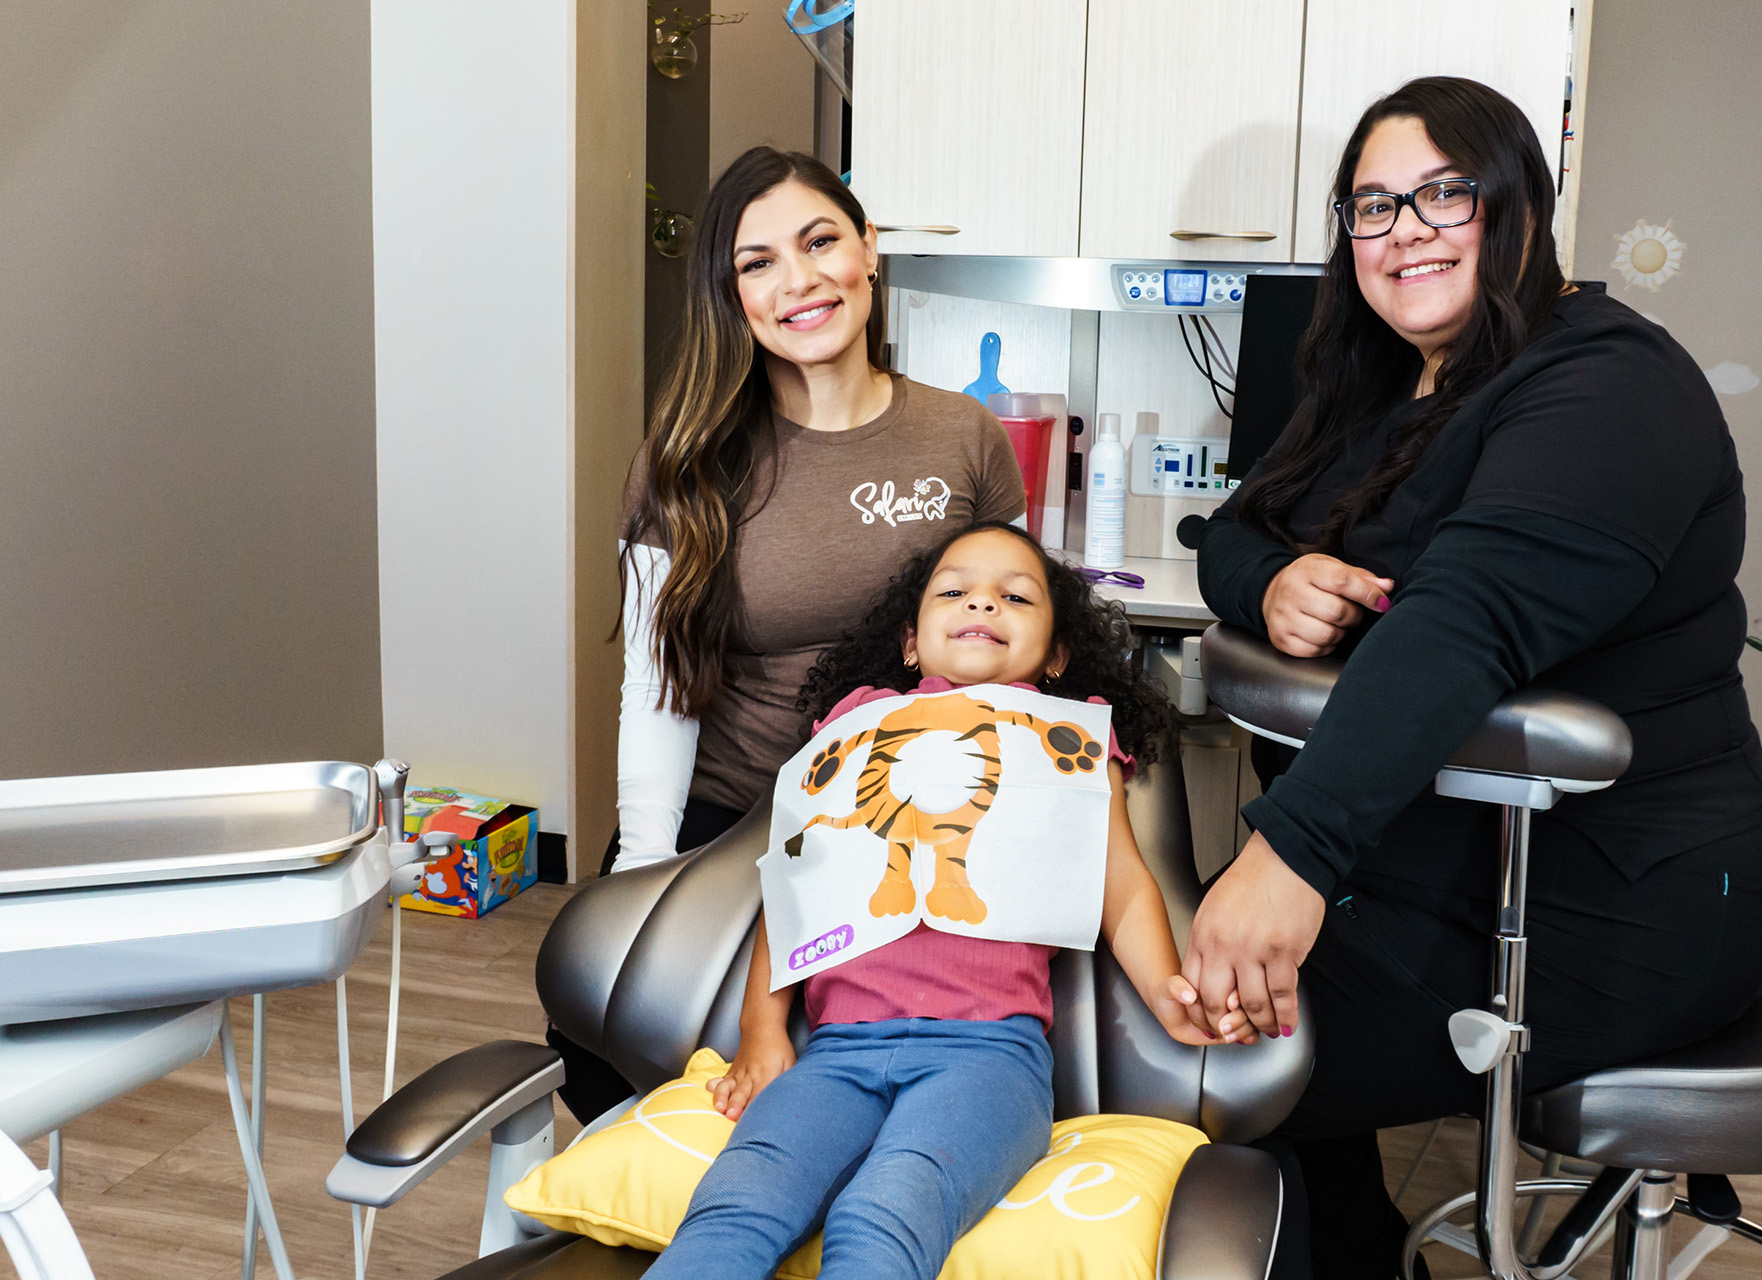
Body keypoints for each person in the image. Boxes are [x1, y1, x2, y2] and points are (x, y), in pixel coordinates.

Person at [1191, 75, 1762, 1278]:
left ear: (1518, 203)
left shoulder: (1609, 386)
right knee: (1198, 1031)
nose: (1405, 230)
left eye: (1443, 194)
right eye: (1372, 206)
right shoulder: (1382, 378)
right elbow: (1233, 526)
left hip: (1601, 903)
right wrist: (1274, 579)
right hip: (1430, 880)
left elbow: (1466, 621)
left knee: (1206, 1060)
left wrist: (1288, 851)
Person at [547, 149, 1026, 1122]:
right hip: (725, 818)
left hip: (901, 822)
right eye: (756, 263)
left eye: (819, 242)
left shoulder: (964, 439)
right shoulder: (682, 463)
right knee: (612, 1047)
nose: (798, 280)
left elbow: (1009, 645)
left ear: (870, 251)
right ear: (733, 299)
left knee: (864, 1083)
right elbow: (656, 690)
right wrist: (644, 877)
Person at [646, 523, 1249, 1280]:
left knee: (882, 1215)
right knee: (736, 1205)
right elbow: (799, 881)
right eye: (956, 591)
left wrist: (1167, 993)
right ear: (910, 641)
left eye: (1015, 597)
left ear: (1057, 654)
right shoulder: (854, 724)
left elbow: (1119, 881)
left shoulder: (1071, 739)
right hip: (837, 1053)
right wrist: (764, 1028)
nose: (983, 604)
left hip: (988, 1058)